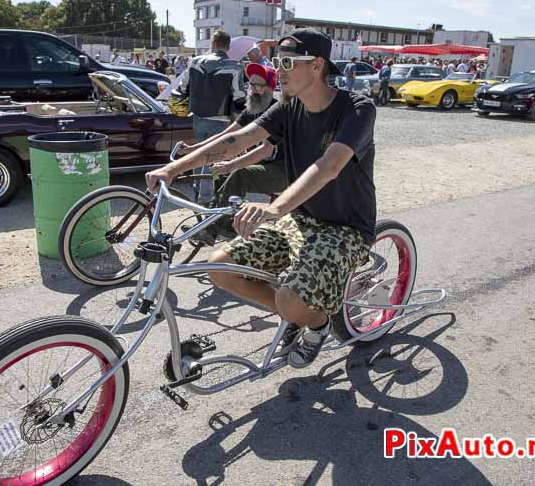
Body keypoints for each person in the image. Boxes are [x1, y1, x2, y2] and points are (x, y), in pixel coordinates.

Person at [146, 28, 376, 368]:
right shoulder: (288, 107)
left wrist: (274, 207)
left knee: (290, 297)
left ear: (316, 65)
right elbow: (238, 140)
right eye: (276, 61)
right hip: (299, 220)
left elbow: (329, 166)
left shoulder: (356, 109)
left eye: (286, 62)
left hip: (345, 228)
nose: (277, 70)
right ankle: (295, 314)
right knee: (219, 267)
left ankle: (316, 323)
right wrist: (174, 169)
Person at [178, 62, 286, 243]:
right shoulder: (251, 109)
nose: (253, 89)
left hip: (284, 170)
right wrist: (192, 149)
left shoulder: (276, 111)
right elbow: (226, 135)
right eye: (250, 85)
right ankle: (220, 224)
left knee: (239, 173)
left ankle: (212, 229)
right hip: (264, 163)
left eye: (259, 85)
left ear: (270, 88)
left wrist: (232, 164)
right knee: (219, 170)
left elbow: (265, 151)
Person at [174, 29, 245, 203]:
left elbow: (182, 88)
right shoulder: (234, 66)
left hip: (198, 117)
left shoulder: (195, 62)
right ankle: (208, 202)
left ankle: (199, 197)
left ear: (212, 44)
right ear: (228, 46)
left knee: (198, 155)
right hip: (221, 121)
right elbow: (239, 97)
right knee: (214, 160)